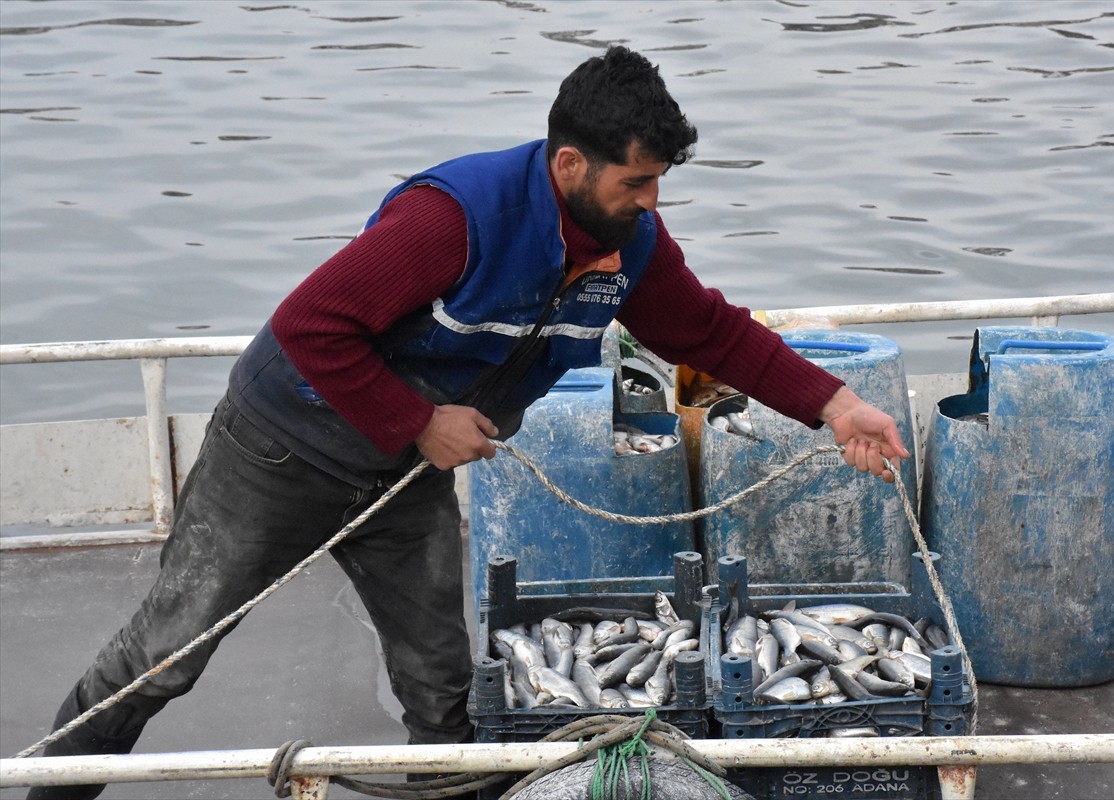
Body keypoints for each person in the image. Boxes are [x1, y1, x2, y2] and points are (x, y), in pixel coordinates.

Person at [28, 46, 909, 799]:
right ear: (570, 165)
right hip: (282, 449)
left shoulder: (629, 244)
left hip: (403, 474)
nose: (651, 202)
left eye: (658, 183)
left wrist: (837, 407)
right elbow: (310, 326)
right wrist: (417, 421)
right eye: (635, 182)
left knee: (441, 688)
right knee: (166, 657)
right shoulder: (452, 217)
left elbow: (710, 332)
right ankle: (52, 788)